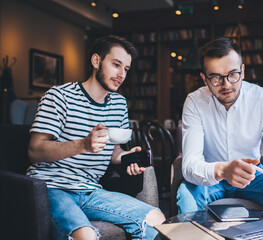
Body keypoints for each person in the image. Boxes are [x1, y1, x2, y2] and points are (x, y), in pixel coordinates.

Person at [27, 35, 165, 240]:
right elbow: (34, 151)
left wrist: (127, 157)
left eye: (126, 69)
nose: (121, 74)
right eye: (116, 65)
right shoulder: (59, 96)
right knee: (86, 236)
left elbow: (113, 151)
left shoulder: (119, 104)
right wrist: (83, 145)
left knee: (156, 218)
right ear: (96, 61)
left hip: (91, 190)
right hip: (52, 187)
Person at [177, 38, 263, 214]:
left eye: (233, 74)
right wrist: (223, 170)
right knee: (186, 197)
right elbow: (189, 165)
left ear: (242, 71)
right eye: (216, 77)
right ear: (204, 79)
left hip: (253, 175)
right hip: (211, 176)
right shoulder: (194, 101)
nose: (227, 85)